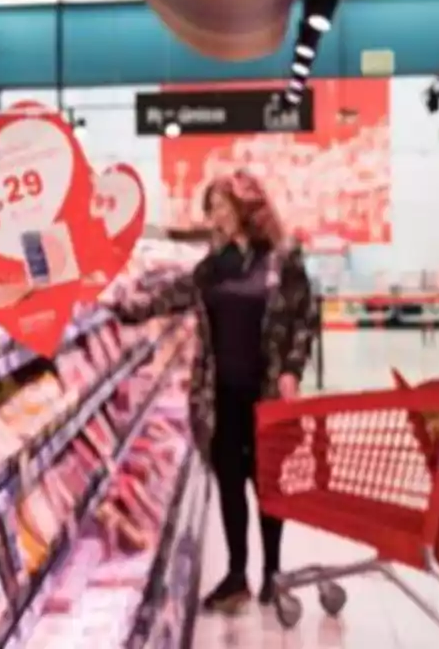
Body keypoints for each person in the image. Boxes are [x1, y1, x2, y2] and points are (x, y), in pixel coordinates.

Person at [112, 169, 316, 613]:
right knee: (229, 483)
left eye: (219, 206)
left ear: (245, 208)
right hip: (219, 394)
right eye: (210, 208)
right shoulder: (211, 267)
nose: (213, 216)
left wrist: (292, 372)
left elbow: (304, 318)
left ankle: (273, 572)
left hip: (266, 394)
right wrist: (115, 304)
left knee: (268, 484)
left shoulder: (282, 260)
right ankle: (238, 573)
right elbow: (165, 299)